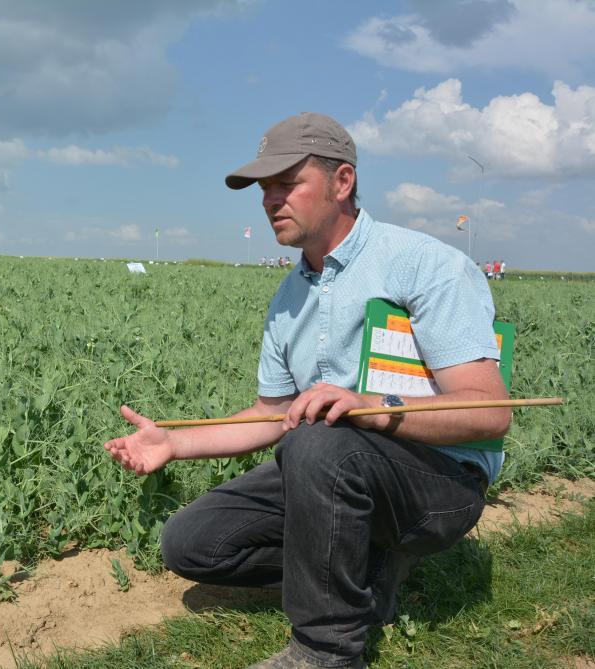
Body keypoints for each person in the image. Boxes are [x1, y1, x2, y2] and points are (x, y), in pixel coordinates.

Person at [103, 112, 510, 669]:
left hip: (438, 480)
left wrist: (371, 405)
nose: (271, 200)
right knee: (193, 542)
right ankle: (363, 571)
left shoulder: (426, 265)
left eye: (287, 183)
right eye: (264, 189)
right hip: (331, 465)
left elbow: (489, 414)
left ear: (342, 182)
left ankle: (327, 650)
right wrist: (174, 442)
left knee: (318, 442)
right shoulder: (289, 297)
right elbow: (273, 414)